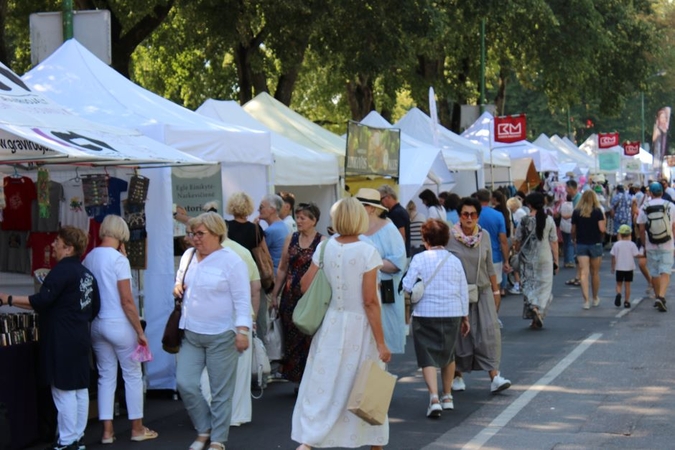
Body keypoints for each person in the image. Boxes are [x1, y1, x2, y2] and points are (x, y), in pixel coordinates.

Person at [292, 197, 391, 450]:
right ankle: (373, 441)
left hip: (331, 323)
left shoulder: (325, 247)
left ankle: (310, 440)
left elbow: (304, 285)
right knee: (366, 386)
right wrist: (381, 342)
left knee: (325, 385)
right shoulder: (368, 251)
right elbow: (370, 301)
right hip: (360, 328)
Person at [0, 227, 100, 450]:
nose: (53, 244)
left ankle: (66, 441)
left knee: (63, 389)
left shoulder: (61, 272)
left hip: (61, 338)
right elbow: (95, 308)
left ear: (68, 248)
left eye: (57, 241)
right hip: (80, 336)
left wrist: (7, 298)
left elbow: (41, 300)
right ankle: (77, 437)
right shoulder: (87, 274)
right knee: (79, 388)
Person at [173, 212, 251, 450]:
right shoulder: (188, 256)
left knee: (220, 392)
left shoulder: (232, 261)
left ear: (217, 233)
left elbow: (241, 299)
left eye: (200, 234)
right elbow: (180, 282)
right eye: (192, 233)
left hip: (222, 334)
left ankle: (217, 438)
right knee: (185, 383)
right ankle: (204, 428)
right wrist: (177, 286)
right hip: (191, 333)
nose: (194, 239)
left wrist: (242, 331)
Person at [82, 215, 157, 444]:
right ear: (122, 234)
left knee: (106, 376)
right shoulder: (119, 260)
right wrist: (140, 331)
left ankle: (107, 432)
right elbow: (126, 300)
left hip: (97, 324)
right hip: (119, 323)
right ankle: (137, 428)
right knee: (132, 374)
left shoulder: (89, 258)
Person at [402, 219, 469, 417]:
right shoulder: (455, 260)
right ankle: (447, 396)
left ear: (425, 238)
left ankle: (434, 398)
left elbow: (407, 285)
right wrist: (465, 317)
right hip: (452, 312)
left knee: (427, 356)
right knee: (449, 355)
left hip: (425, 313)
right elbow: (462, 290)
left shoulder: (419, 259)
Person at [446, 197, 511, 394]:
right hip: (458, 292)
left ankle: (495, 376)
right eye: (465, 214)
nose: (469, 218)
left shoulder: (484, 236)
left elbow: (490, 265)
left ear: (477, 216)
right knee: (461, 335)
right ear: (459, 215)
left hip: (482, 290)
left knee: (489, 332)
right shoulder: (450, 237)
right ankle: (458, 375)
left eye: (473, 214)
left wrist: (496, 290)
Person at [270, 202, 325, 386]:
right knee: (292, 338)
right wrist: (275, 295)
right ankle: (299, 380)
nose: (298, 221)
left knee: (309, 338)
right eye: (297, 217)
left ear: (313, 220)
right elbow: (283, 268)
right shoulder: (291, 238)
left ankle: (310, 380)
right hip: (290, 295)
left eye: (303, 218)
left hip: (311, 296)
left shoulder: (322, 242)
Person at [357, 188, 407, 354]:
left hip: (385, 291)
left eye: (360, 205)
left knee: (383, 339)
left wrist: (370, 262)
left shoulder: (389, 229)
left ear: (371, 208)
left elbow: (397, 262)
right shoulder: (355, 228)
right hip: (361, 290)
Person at [226, 192, 271, 337]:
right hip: (252, 274)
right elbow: (266, 254)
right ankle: (257, 344)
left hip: (230, 273)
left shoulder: (225, 227)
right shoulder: (255, 229)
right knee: (257, 311)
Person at [514, 193, 559, 329]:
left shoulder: (523, 220)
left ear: (529, 205)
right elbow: (554, 242)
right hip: (545, 257)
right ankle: (538, 311)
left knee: (529, 285)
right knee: (545, 287)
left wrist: (516, 250)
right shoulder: (549, 220)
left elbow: (517, 240)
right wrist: (556, 260)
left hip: (527, 259)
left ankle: (533, 307)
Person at [637, 182, 675, 312]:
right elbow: (674, 227)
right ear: (662, 192)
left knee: (654, 272)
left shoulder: (644, 207)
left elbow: (641, 229)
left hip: (650, 243)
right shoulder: (670, 206)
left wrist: (644, 244)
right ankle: (661, 296)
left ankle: (658, 296)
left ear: (650, 193)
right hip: (667, 243)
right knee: (665, 271)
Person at [475, 189, 510, 310]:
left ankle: (482, 316)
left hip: (476, 256)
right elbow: (503, 241)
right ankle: (494, 316)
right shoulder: (498, 215)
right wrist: (506, 260)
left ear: (477, 198)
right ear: (490, 199)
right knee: (496, 289)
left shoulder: (474, 215)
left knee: (478, 290)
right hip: (495, 256)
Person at [571, 190, 606, 310]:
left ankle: (586, 300)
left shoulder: (576, 212)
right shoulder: (597, 212)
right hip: (595, 243)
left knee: (583, 273)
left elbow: (573, 230)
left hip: (581, 243)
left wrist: (574, 239)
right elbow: (602, 229)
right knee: (595, 272)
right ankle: (595, 297)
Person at [258, 193, 290, 274]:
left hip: (273, 275)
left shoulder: (271, 231)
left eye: (261, 207)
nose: (259, 210)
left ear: (272, 209)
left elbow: (259, 252)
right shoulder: (284, 225)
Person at [610, 224, 640, 309]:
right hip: (629, 267)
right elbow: (636, 255)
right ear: (630, 234)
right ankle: (626, 301)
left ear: (620, 234)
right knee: (627, 285)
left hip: (619, 267)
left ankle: (618, 294)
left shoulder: (616, 244)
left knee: (619, 284)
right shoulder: (632, 244)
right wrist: (644, 255)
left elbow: (613, 256)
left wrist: (613, 266)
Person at [378, 185, 411, 257]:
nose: (380, 203)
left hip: (400, 255)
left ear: (388, 196)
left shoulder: (396, 213)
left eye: (381, 199)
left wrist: (398, 256)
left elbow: (402, 236)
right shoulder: (399, 210)